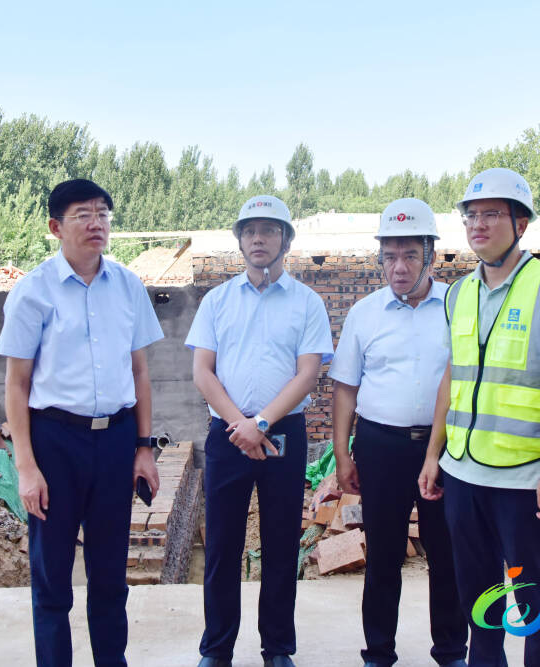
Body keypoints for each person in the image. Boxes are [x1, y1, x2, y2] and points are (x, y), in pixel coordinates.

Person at [0, 179, 164, 667]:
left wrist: (144, 448)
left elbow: (140, 373)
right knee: (52, 581)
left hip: (114, 442)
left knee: (110, 577)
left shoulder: (128, 286)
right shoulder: (33, 292)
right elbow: (16, 386)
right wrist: (26, 467)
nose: (97, 224)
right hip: (55, 444)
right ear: (55, 227)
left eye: (104, 214)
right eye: (84, 215)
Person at [417, 167, 540, 666]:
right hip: (463, 473)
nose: (478, 225)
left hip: (524, 479)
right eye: (471, 216)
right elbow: (451, 378)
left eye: (491, 215)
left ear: (521, 224)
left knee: (533, 600)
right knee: (478, 598)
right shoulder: (459, 293)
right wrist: (433, 455)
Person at [186, 195, 333, 667]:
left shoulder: (307, 303)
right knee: (223, 547)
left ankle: (277, 649)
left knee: (280, 543)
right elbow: (203, 373)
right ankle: (217, 649)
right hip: (227, 433)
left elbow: (308, 373)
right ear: (240, 240)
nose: (258, 239)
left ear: (286, 240)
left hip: (283, 433)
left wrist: (262, 424)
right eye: (250, 231)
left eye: (269, 230)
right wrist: (241, 424)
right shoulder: (217, 300)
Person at [330, 198, 467, 667]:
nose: (399, 266)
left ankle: (450, 651)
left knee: (446, 555)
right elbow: (345, 389)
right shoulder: (365, 314)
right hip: (380, 446)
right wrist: (343, 455)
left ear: (431, 253)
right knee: (384, 556)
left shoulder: (457, 304)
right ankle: (379, 653)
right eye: (390, 255)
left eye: (410, 254)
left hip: (443, 447)